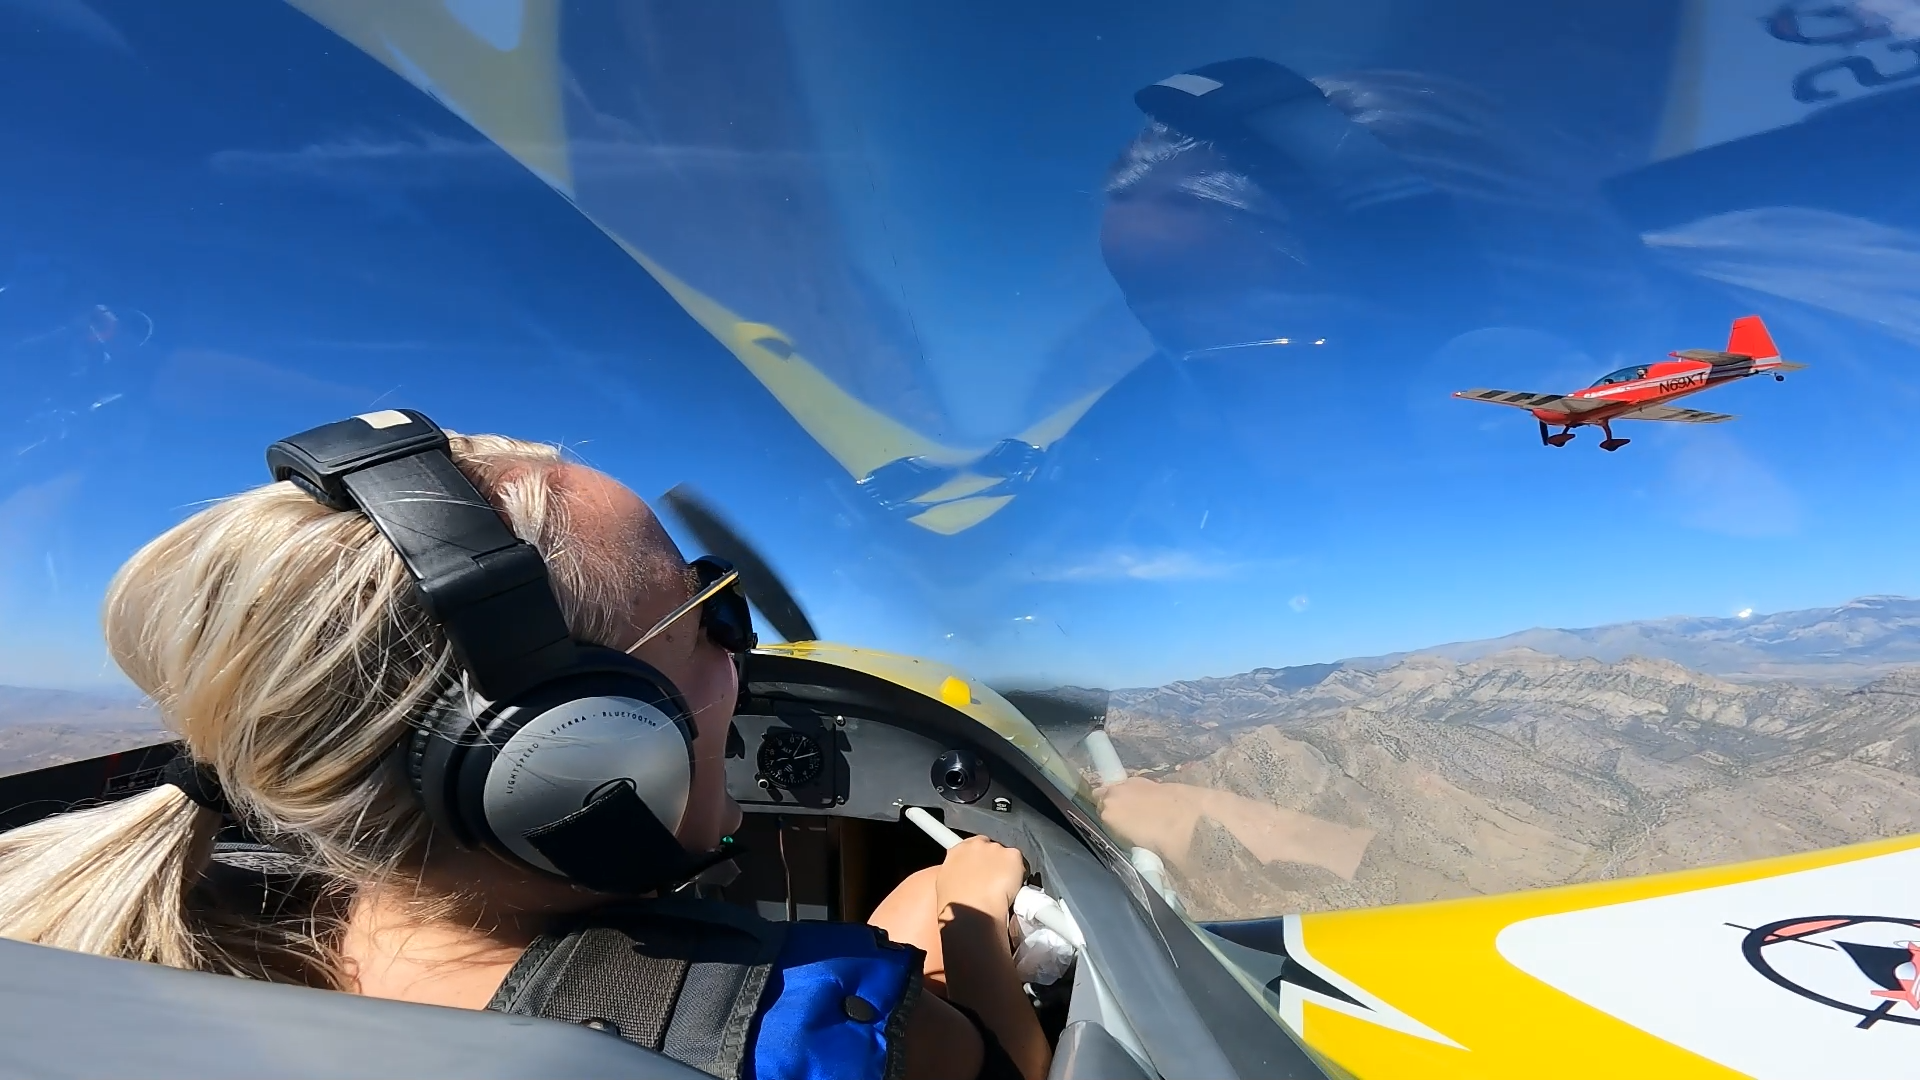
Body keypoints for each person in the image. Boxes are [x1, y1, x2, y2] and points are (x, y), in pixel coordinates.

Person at [0, 418, 1050, 1080]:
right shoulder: (806, 1020)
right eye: (706, 626)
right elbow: (1014, 1062)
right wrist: (956, 913)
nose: (744, 656)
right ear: (572, 751)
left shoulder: (196, 931)